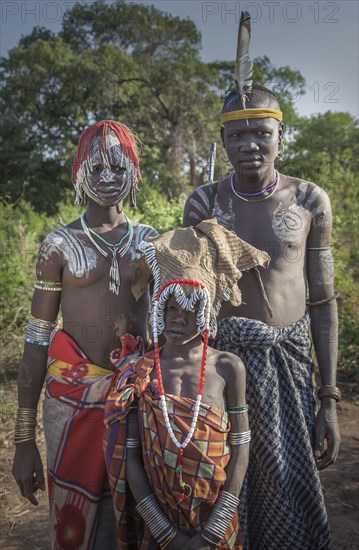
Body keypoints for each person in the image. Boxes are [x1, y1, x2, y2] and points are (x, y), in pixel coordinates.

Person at [183, 83, 341, 549]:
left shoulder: (310, 200)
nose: (250, 145)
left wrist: (327, 398)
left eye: (262, 133)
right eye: (238, 135)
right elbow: (190, 294)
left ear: (280, 136)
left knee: (284, 476)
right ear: (224, 140)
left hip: (288, 364)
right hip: (222, 365)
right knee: (220, 474)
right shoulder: (204, 203)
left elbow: (323, 301)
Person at [12, 120, 158, 549]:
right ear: (79, 173)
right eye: (96, 169)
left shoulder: (149, 244)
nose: (108, 177)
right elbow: (37, 342)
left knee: (140, 507)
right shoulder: (59, 245)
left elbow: (171, 327)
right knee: (78, 521)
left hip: (134, 396)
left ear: (134, 170)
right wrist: (23, 441)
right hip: (71, 402)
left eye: (119, 166)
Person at [103, 219, 270, 549]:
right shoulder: (140, 372)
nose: (179, 318)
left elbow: (241, 449)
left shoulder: (227, 367)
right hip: (160, 526)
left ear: (209, 312)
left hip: (217, 523)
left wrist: (214, 528)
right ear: (157, 309)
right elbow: (131, 460)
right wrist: (168, 537)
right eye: (171, 306)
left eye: (193, 308)